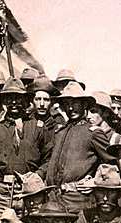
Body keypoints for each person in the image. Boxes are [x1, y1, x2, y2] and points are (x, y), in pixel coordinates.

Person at [0, 77, 53, 223]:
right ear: (3, 101)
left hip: (29, 192)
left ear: (26, 100)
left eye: (18, 98)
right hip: (2, 191)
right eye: (9, 98)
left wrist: (35, 177)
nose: (14, 102)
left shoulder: (38, 128)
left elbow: (49, 158)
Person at [45, 81, 113, 213]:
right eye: (67, 104)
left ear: (84, 104)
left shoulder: (93, 133)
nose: (70, 108)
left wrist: (94, 182)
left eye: (75, 103)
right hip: (53, 200)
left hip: (78, 202)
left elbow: (112, 164)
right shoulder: (59, 132)